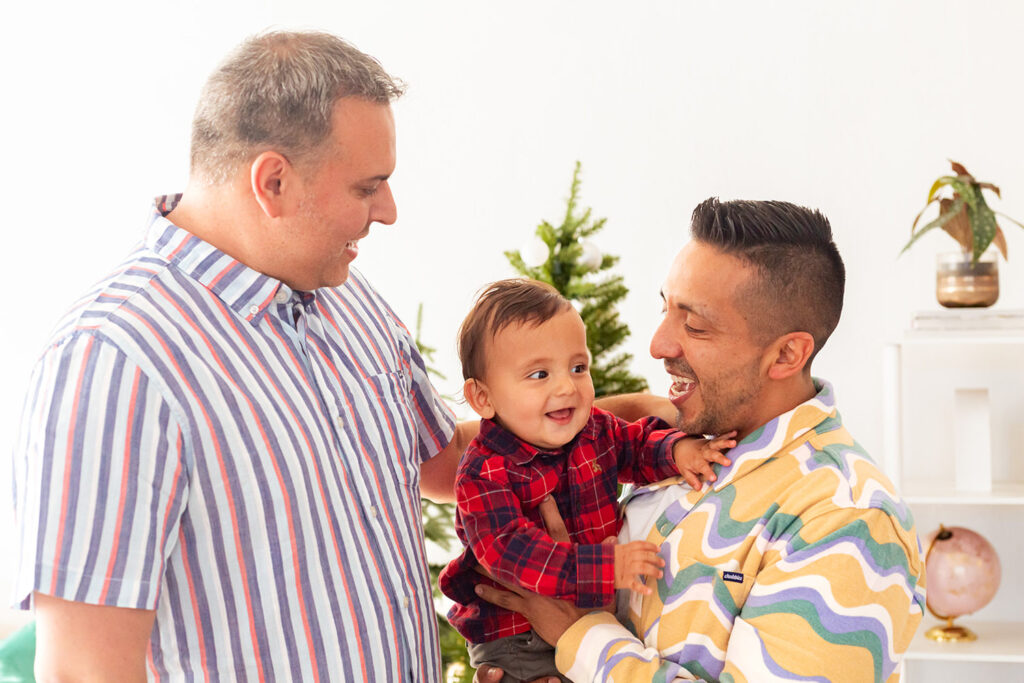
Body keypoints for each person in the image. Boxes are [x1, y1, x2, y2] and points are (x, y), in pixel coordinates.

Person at [10, 30, 486, 681]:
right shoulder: (113, 361)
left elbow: (445, 467)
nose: (389, 210)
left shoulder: (352, 299)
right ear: (274, 181)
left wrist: (628, 425)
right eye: (367, 187)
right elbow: (84, 670)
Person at [476, 198, 927, 683]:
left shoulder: (849, 520)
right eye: (665, 308)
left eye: (694, 325)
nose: (658, 344)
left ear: (786, 354)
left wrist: (579, 636)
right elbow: (469, 453)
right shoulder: (677, 443)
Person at [438, 279, 735, 683]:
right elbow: (508, 551)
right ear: (483, 399)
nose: (566, 387)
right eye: (539, 374)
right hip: (518, 637)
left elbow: (637, 445)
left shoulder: (594, 429)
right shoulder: (483, 470)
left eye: (578, 367)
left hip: (592, 613)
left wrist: (679, 451)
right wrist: (606, 566)